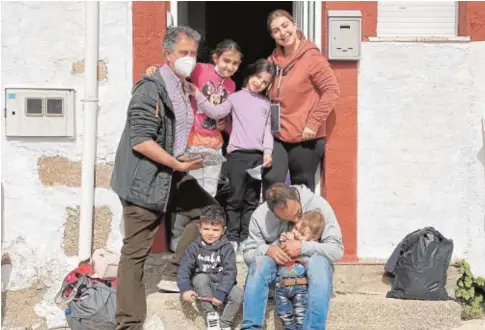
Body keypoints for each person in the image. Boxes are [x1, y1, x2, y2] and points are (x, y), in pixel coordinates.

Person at [111, 26, 221, 330]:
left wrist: (186, 157)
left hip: (172, 172)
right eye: (183, 53)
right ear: (167, 54)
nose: (189, 58)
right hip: (144, 179)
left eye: (193, 53)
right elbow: (141, 140)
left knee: (210, 213)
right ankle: (128, 324)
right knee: (135, 252)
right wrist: (177, 163)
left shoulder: (183, 87)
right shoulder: (150, 88)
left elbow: (175, 132)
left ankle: (173, 273)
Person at [145, 40, 242, 252]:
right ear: (216, 57)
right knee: (189, 194)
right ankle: (178, 240)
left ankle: (201, 240)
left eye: (235, 63)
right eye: (226, 60)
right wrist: (156, 68)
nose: (230, 67)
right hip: (192, 141)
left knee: (209, 195)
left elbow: (224, 114)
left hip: (215, 144)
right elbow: (175, 69)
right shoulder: (199, 69)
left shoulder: (232, 85)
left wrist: (224, 124)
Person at [189, 59, 275, 254]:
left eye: (265, 82)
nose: (259, 83)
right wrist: (198, 95)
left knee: (252, 200)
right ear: (250, 73)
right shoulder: (235, 97)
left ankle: (246, 237)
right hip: (236, 157)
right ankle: (232, 237)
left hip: (257, 157)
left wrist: (268, 152)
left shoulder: (265, 103)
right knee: (234, 199)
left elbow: (267, 131)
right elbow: (217, 112)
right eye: (258, 77)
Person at [241, 183, 344, 329]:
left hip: (309, 276)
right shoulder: (259, 216)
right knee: (259, 262)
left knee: (319, 263)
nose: (295, 221)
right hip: (278, 281)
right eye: (288, 219)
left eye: (298, 213)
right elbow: (248, 254)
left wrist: (303, 247)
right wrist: (268, 249)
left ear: (297, 197)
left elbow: (337, 250)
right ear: (274, 212)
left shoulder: (319, 205)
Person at [263, 9, 340, 196]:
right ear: (272, 36)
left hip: (305, 137)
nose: (282, 33)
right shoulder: (272, 61)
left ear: (294, 24)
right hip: (278, 135)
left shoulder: (311, 57)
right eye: (276, 30)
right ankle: (273, 225)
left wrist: (313, 123)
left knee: (301, 190)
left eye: (285, 25)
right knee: (272, 180)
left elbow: (331, 91)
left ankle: (301, 226)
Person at [178, 205, 243, 330]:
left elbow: (231, 272)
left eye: (215, 229)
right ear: (200, 229)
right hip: (204, 288)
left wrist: (222, 292)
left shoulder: (227, 248)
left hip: (223, 286)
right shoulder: (194, 247)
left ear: (223, 230)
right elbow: (184, 268)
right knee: (199, 278)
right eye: (206, 228)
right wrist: (185, 288)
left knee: (238, 293)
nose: (210, 233)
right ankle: (211, 315)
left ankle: (224, 323)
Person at [275, 210, 326, 330]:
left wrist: (301, 246)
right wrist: (282, 241)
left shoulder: (309, 252)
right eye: (296, 229)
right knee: (284, 315)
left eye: (301, 233)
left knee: (301, 317)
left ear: (312, 239)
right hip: (281, 289)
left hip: (300, 290)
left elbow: (308, 263)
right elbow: (277, 254)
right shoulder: (287, 240)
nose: (296, 234)